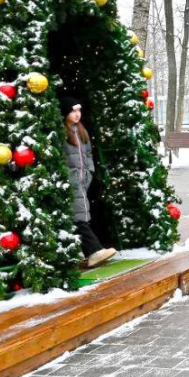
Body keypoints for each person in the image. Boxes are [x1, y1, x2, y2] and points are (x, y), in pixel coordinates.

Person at [61, 97, 117, 268]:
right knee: (78, 218)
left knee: (80, 216)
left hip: (82, 181)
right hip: (71, 181)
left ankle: (82, 252)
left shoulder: (81, 131)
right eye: (73, 111)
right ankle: (94, 251)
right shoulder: (61, 132)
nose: (77, 114)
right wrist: (69, 177)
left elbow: (88, 155)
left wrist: (88, 173)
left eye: (79, 111)